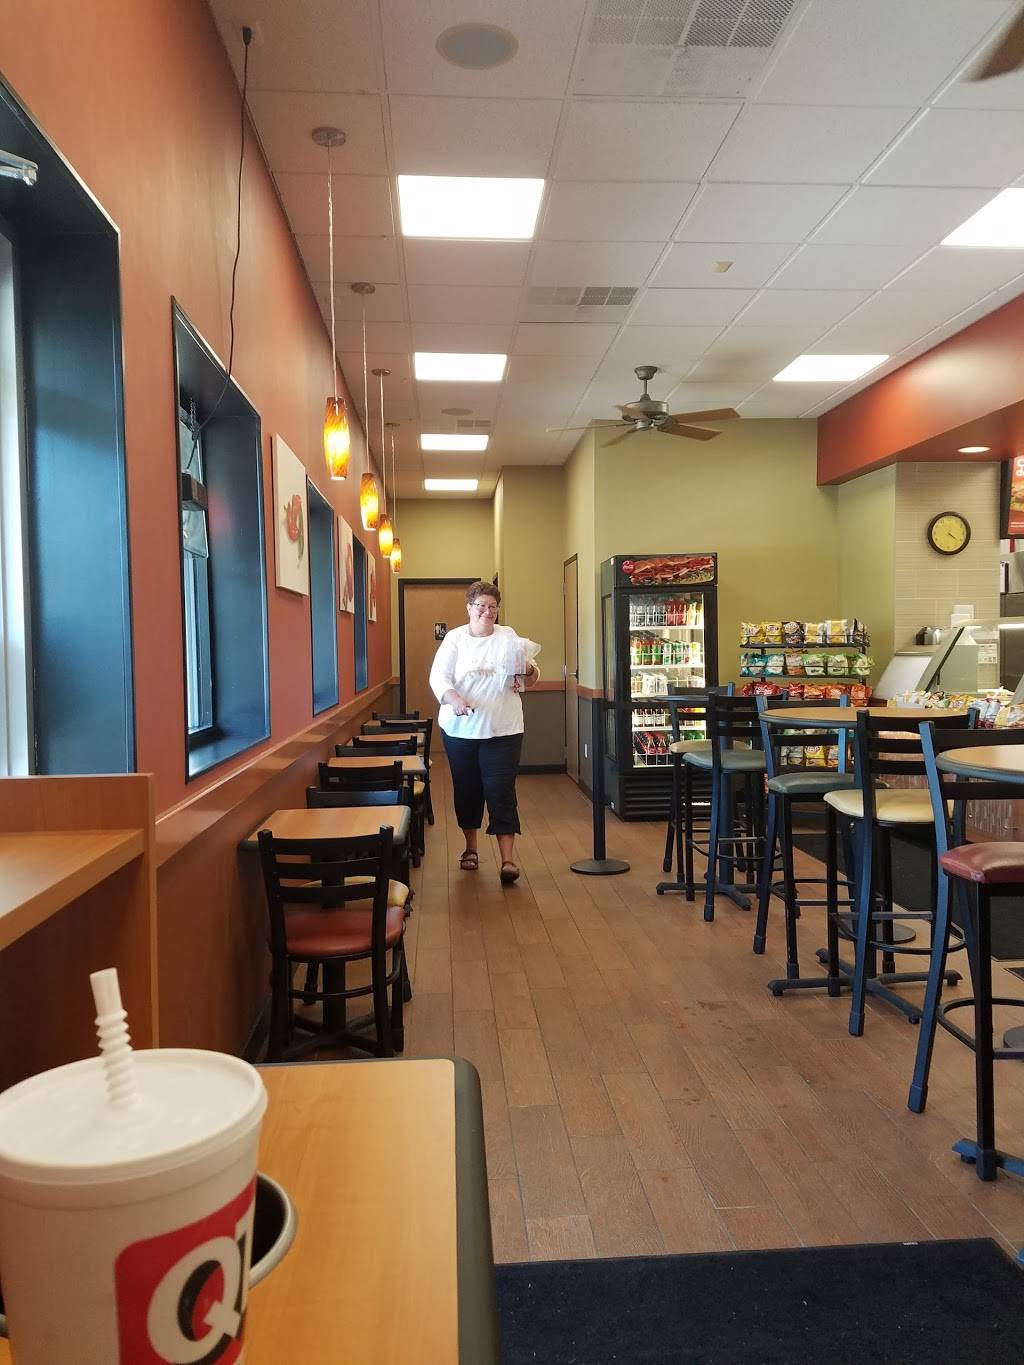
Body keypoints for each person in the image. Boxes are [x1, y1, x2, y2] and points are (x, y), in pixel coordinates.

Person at [429, 581, 539, 884]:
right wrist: (454, 699)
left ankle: (508, 860)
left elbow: (530, 677)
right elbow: (439, 678)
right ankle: (471, 848)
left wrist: (529, 670)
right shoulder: (455, 639)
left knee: (501, 791)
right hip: (461, 730)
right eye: (481, 606)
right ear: (469, 608)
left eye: (492, 606)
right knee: (467, 790)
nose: (487, 612)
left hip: (504, 729)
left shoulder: (508, 636)